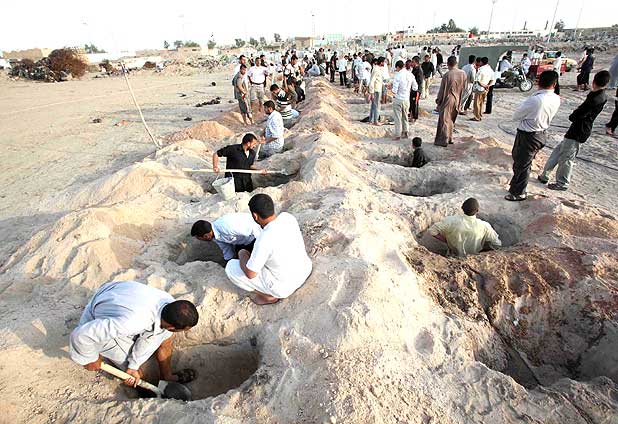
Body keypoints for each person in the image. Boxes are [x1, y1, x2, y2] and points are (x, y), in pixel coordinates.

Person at [69, 281, 199, 388]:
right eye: (183, 330)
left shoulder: (168, 302)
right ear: (172, 326)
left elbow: (150, 338)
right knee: (140, 373)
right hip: (96, 318)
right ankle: (148, 390)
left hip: (116, 297)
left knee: (166, 339)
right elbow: (81, 335)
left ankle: (167, 377)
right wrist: (90, 358)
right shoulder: (131, 323)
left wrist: (134, 363)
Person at [224, 194, 312, 305]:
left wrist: (242, 254)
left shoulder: (264, 239)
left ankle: (268, 297)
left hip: (285, 287)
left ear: (255, 216)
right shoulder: (288, 217)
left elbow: (251, 274)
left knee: (231, 267)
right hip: (305, 270)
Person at [539, 71, 609, 191]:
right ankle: (545, 175)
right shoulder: (601, 95)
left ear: (594, 81)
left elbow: (579, 114)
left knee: (566, 158)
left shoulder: (595, 98)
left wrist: (575, 113)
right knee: (558, 151)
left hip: (579, 130)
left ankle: (562, 183)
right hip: (579, 129)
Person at [505, 71, 560, 201]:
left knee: (522, 165)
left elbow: (516, 116)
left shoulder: (536, 99)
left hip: (529, 136)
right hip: (540, 134)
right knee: (524, 163)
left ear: (538, 82)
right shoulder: (556, 98)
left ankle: (519, 193)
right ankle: (516, 187)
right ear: (554, 84)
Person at [428, 198, 502, 257]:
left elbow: (432, 231)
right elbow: (497, 244)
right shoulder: (485, 226)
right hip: (473, 259)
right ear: (477, 210)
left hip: (452, 257)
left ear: (462, 208)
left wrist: (446, 240)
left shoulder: (450, 221)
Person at [191, 214, 262, 261]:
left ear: (206, 236)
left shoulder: (226, 227)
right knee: (238, 261)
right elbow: (226, 249)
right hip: (241, 243)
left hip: (256, 236)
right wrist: (228, 263)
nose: (202, 240)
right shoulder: (214, 236)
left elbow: (253, 229)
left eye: (200, 238)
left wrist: (259, 247)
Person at [434, 56, 466, 147]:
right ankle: (450, 138)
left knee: (444, 120)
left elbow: (442, 90)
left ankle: (443, 140)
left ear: (448, 64)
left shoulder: (447, 75)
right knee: (451, 119)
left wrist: (438, 101)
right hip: (458, 98)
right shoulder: (463, 73)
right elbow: (464, 88)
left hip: (448, 99)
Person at [391, 60, 415, 140]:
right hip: (406, 99)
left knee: (397, 118)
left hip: (398, 98)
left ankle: (398, 134)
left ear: (398, 67)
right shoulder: (410, 74)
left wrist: (391, 89)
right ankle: (406, 132)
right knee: (405, 116)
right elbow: (415, 87)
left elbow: (394, 90)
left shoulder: (398, 75)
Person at [471, 57, 494, 122]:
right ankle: (480, 114)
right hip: (486, 89)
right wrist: (488, 86)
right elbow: (492, 79)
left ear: (481, 62)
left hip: (480, 88)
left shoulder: (481, 70)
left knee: (476, 103)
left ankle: (477, 117)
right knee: (481, 102)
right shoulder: (490, 69)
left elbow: (478, 81)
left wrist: (484, 86)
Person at [368, 57, 385, 125]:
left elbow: (379, 80)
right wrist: (371, 92)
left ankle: (371, 120)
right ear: (381, 62)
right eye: (384, 62)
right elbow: (372, 81)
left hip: (377, 88)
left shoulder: (378, 69)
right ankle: (375, 121)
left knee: (373, 105)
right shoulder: (376, 69)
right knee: (377, 106)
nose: (384, 63)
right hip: (376, 90)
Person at [408, 57, 423, 123]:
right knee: (411, 103)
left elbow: (419, 81)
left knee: (415, 103)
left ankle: (414, 117)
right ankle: (411, 116)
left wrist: (414, 84)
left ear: (416, 62)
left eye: (413, 62)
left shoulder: (419, 70)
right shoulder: (414, 69)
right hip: (413, 89)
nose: (411, 63)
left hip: (417, 90)